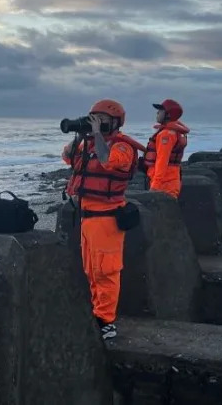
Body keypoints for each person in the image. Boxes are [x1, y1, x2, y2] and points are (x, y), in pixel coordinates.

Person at [62, 99, 144, 340]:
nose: (97, 124)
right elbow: (67, 157)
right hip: (87, 218)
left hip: (107, 219)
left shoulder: (123, 147)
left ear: (116, 122)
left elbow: (109, 160)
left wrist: (97, 135)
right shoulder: (86, 145)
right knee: (90, 269)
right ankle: (97, 310)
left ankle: (106, 321)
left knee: (105, 270)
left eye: (102, 120)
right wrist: (80, 132)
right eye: (93, 119)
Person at [144, 99, 190, 199]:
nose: (157, 113)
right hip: (171, 180)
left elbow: (162, 161)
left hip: (164, 183)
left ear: (168, 115)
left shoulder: (166, 135)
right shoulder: (175, 132)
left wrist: (155, 186)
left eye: (160, 111)